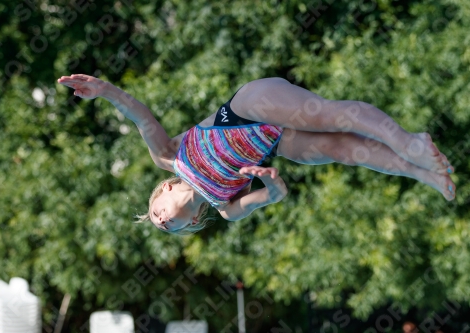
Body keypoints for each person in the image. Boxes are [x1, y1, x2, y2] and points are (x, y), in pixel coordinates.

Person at [57, 74, 456, 235]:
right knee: (340, 150)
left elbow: (143, 119)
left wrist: (106, 91)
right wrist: (273, 185)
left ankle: (409, 142)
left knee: (331, 115)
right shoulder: (226, 206)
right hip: (275, 142)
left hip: (248, 108)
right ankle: (421, 172)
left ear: (163, 188)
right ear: (194, 220)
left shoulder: (168, 157)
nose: (160, 219)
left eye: (155, 211)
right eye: (166, 227)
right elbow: (270, 198)